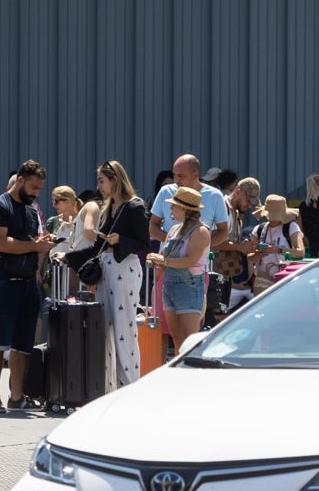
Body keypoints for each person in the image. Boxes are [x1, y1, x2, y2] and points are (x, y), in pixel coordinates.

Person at [0, 159, 56, 414]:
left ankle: (16, 396)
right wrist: (35, 246)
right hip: (4, 283)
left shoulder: (30, 210)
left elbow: (28, 240)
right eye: (34, 187)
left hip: (28, 284)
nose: (37, 193)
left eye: (39, 189)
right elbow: (0, 243)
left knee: (23, 345)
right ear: (20, 181)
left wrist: (41, 242)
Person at [88, 160, 150, 392]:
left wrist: (120, 241)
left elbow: (144, 244)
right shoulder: (108, 207)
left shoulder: (134, 207)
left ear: (115, 180)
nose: (99, 186)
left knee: (124, 329)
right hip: (107, 269)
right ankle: (109, 387)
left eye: (102, 181)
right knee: (105, 329)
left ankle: (130, 386)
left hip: (125, 268)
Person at [146, 187, 211, 350]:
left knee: (190, 341)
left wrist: (164, 261)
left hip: (188, 287)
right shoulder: (174, 229)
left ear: (184, 209)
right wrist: (156, 259)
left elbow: (191, 260)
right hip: (169, 285)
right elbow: (165, 256)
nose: (170, 208)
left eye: (173, 205)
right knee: (176, 339)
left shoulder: (201, 231)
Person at [150, 154, 229, 246]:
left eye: (181, 176)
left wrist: (201, 248)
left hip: (199, 259)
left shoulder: (215, 195)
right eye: (174, 175)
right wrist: (173, 242)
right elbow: (153, 225)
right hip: (169, 258)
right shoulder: (165, 191)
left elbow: (223, 232)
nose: (176, 180)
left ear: (195, 175)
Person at [211, 176, 260, 309]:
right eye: (248, 201)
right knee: (217, 315)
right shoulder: (223, 208)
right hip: (213, 275)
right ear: (238, 192)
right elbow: (211, 242)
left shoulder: (237, 214)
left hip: (225, 276)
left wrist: (243, 246)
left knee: (222, 312)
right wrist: (239, 247)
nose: (249, 206)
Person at [247, 195, 304, 294]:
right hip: (263, 279)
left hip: (285, 279)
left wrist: (278, 250)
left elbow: (300, 252)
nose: (272, 219)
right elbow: (250, 257)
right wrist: (259, 254)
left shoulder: (291, 227)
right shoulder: (259, 229)